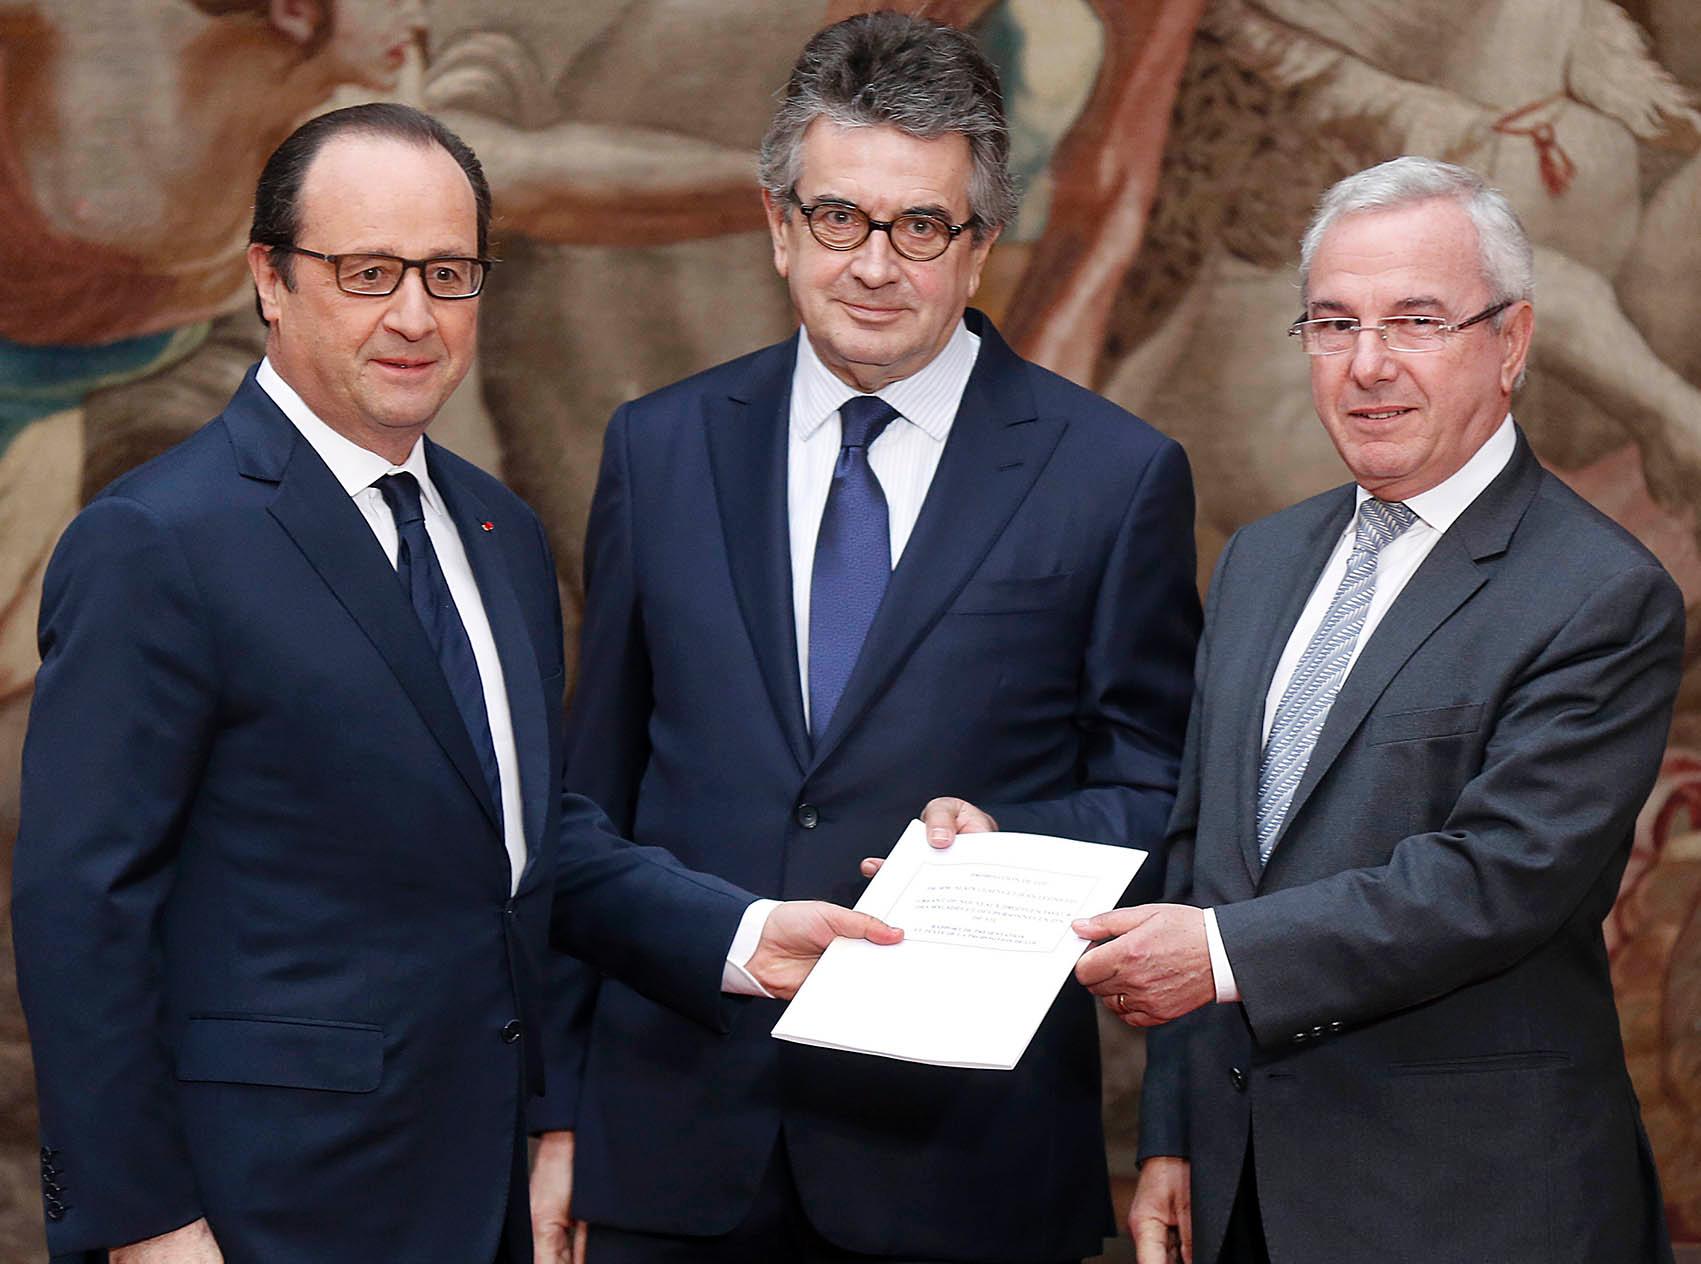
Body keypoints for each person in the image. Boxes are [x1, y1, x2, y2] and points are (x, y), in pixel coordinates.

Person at [9, 102, 898, 1264]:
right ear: (270, 278)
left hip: (476, 1194)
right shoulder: (158, 540)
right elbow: (82, 907)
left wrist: (741, 934)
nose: (415, 316)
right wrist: (143, 1224)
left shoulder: (499, 531)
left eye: (448, 273)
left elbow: (517, 837)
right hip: (255, 1211)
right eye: (368, 273)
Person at [529, 12, 1200, 1264]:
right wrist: (557, 1112)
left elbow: (1166, 798)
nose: (874, 265)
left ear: (981, 245)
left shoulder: (1113, 476)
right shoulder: (658, 448)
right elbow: (582, 812)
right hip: (674, 1152)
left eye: (921, 226)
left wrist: (1008, 847)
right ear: (779, 226)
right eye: (839, 217)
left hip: (966, 1170)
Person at [1065, 157, 1684, 1263]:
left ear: (1511, 341)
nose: (1367, 365)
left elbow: (1495, 880)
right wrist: (1173, 1134)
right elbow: (1206, 860)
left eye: (1416, 321)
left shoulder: (1600, 593)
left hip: (1468, 1208)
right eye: (1334, 323)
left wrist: (1218, 955)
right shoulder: (1261, 560)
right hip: (1243, 1192)